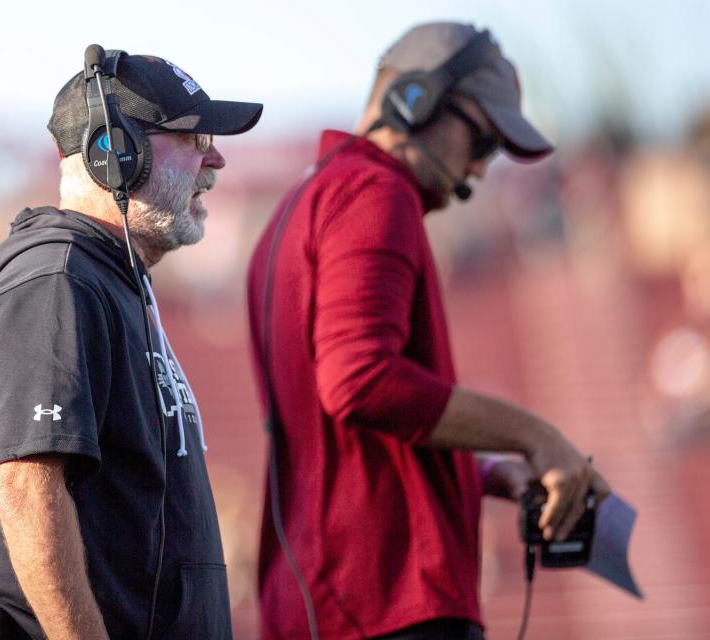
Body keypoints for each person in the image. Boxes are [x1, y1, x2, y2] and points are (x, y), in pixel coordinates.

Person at [246, 22, 610, 640]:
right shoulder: (373, 190)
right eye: (481, 138)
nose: (480, 166)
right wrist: (536, 436)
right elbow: (360, 382)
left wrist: (485, 472)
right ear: (414, 102)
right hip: (386, 600)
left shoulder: (303, 203)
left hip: (324, 598)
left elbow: (348, 438)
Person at [0, 49, 262, 640]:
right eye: (195, 138)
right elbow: (25, 487)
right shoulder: (56, 280)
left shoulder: (106, 281)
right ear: (115, 153)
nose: (216, 159)